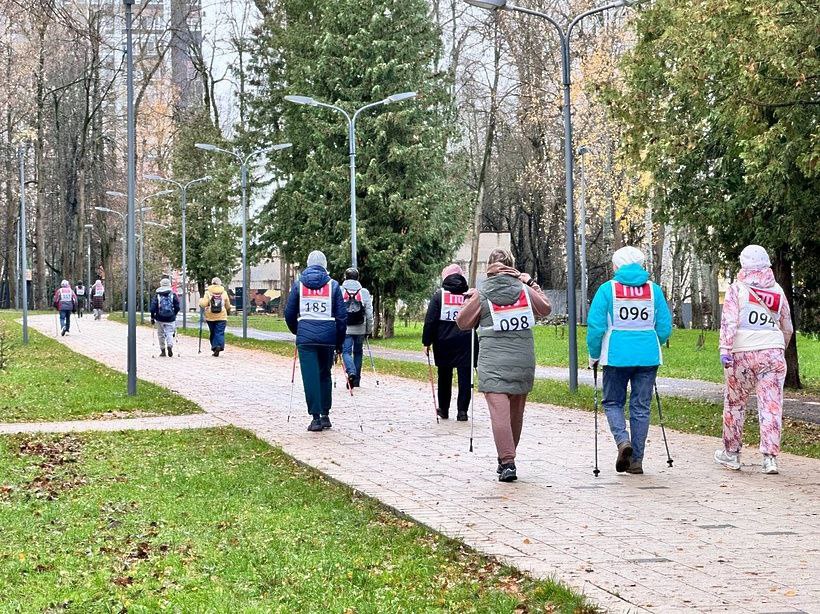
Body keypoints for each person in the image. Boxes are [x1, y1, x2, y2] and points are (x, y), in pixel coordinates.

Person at [456, 249, 551, 482]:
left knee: (499, 414)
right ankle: (507, 458)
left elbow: (462, 322)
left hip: (493, 362)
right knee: (515, 414)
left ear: (489, 266)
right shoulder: (524, 289)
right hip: (523, 360)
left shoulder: (482, 293)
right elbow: (545, 308)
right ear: (512, 265)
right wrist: (530, 282)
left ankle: (507, 462)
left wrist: (469, 301)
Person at [587, 246, 672, 475]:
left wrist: (594, 355)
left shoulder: (607, 290)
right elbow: (664, 326)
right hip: (648, 355)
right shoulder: (654, 290)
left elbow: (596, 327)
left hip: (616, 355)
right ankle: (637, 461)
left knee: (613, 402)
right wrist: (653, 339)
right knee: (641, 407)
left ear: (617, 267)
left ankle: (623, 441)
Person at [715, 245, 793, 475]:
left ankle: (732, 454)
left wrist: (725, 349)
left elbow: (728, 322)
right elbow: (786, 326)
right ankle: (770, 459)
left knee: (734, 403)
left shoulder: (736, 289)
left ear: (743, 265)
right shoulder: (778, 290)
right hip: (773, 353)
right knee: (771, 405)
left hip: (741, 354)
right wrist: (779, 346)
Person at [284, 250, 347, 432]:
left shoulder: (299, 285)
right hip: (328, 336)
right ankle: (326, 414)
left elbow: (289, 314)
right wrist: (339, 342)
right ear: (325, 265)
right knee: (325, 373)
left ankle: (316, 418)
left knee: (310, 376)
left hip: (306, 338)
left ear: (308, 264)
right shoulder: (334, 286)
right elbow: (341, 318)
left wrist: (298, 331)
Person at [423, 263, 475, 421]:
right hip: (466, 341)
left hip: (444, 342)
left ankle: (444, 409)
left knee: (444, 376)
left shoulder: (440, 295)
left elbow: (430, 320)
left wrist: (427, 342)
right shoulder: (469, 295)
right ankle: (462, 411)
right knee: (465, 376)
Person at [340, 267, 373, 388]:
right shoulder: (364, 292)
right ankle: (356, 380)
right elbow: (369, 313)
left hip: (346, 327)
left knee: (346, 352)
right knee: (358, 352)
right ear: (358, 278)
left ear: (345, 277)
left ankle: (351, 372)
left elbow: (336, 310)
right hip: (360, 327)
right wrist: (368, 330)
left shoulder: (340, 290)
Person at [198, 277, 231, 357]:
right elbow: (227, 305)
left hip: (210, 316)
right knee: (219, 332)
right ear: (220, 283)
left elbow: (204, 304)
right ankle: (218, 345)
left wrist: (200, 301)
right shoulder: (224, 293)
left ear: (212, 283)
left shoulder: (208, 292)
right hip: (222, 316)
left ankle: (215, 346)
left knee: (213, 332)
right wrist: (228, 311)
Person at [150, 277, 181, 357]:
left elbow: (153, 308)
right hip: (170, 318)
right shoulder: (172, 294)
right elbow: (177, 306)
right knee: (169, 333)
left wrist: (152, 317)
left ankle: (163, 350)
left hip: (160, 318)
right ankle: (170, 346)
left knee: (160, 334)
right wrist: (174, 314)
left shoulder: (157, 295)